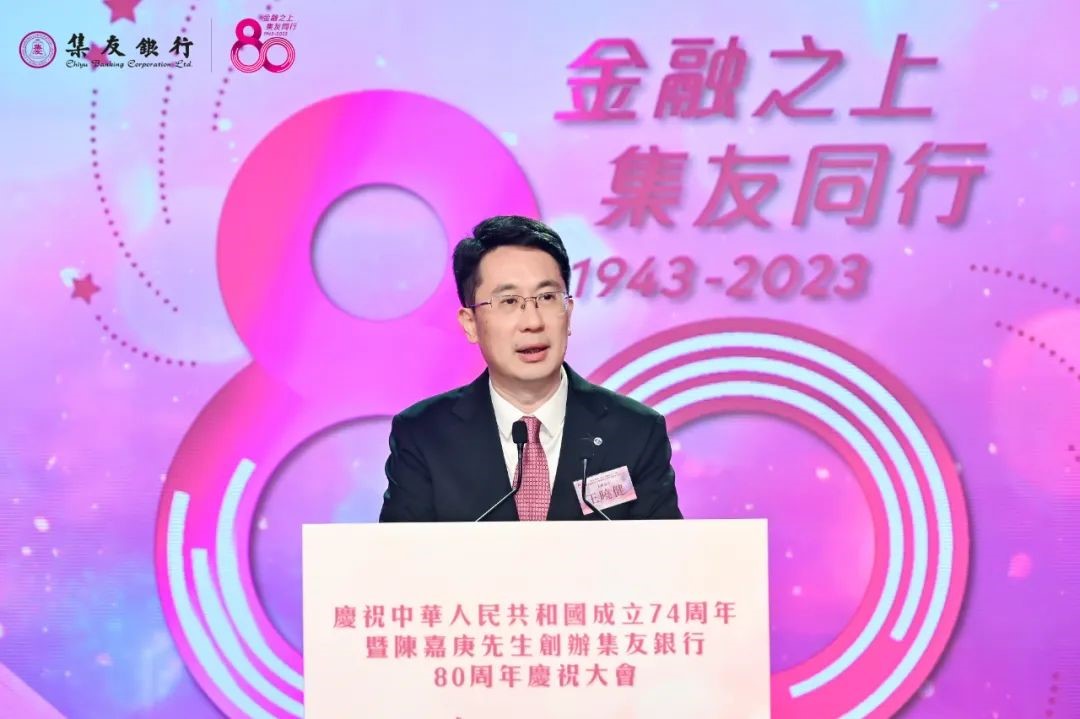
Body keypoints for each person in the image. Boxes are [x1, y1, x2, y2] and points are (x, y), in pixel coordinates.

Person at [379, 215, 682, 522]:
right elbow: (400, 552)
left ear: (568, 312)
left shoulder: (636, 432)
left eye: (547, 297)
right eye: (509, 301)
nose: (533, 322)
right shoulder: (424, 435)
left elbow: (666, 551)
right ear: (470, 323)